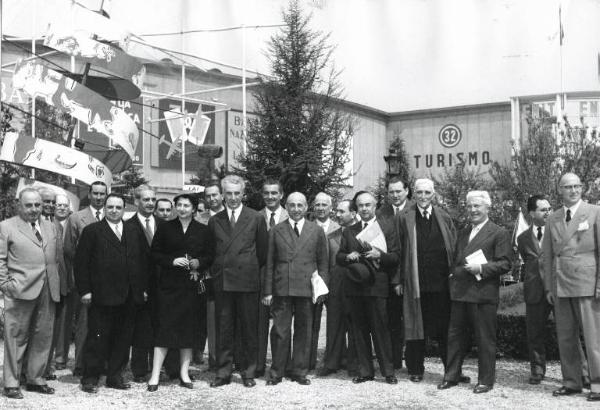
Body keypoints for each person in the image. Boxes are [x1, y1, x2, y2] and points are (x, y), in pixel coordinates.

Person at [438, 190, 511, 394]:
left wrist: (482, 269)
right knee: (454, 337)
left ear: (488, 208)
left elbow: (505, 263)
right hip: (460, 293)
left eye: (477, 206)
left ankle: (485, 380)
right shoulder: (462, 232)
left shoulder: (499, 232)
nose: (473, 210)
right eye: (469, 206)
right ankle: (451, 375)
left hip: (482, 294)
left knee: (484, 339)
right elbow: (455, 260)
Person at [75, 193, 148, 394]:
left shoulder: (134, 230)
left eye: (118, 207)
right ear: (105, 208)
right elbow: (81, 264)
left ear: (124, 209)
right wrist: (85, 290)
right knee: (98, 338)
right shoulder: (92, 231)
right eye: (110, 207)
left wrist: (142, 289)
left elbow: (143, 262)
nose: (114, 210)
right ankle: (90, 377)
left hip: (129, 296)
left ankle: (115, 376)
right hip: (102, 296)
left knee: (123, 338)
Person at [541, 173, 600, 402]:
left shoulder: (594, 211)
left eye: (576, 186)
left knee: (594, 338)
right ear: (560, 190)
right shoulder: (553, 217)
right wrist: (549, 287)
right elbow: (546, 255)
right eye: (568, 187)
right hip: (561, 283)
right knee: (566, 337)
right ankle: (572, 382)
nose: (573, 190)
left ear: (582, 188)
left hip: (587, 283)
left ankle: (597, 384)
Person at [147, 194, 214, 391]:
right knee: (164, 330)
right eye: (180, 205)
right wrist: (172, 261)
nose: (183, 208)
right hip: (168, 287)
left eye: (187, 205)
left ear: (194, 209)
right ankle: (154, 375)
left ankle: (184, 373)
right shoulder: (166, 227)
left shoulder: (203, 230)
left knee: (188, 331)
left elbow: (210, 255)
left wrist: (198, 263)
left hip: (191, 288)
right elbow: (155, 253)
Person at [0, 188, 62, 399]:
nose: (34, 209)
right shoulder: (6, 226)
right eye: (29, 205)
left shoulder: (51, 227)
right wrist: (7, 285)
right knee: (16, 337)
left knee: (42, 337)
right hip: (20, 290)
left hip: (47, 290)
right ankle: (11, 383)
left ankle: (35, 379)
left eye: (38, 205)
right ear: (20, 205)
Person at [208, 175, 268, 388]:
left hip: (247, 281)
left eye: (237, 193)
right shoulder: (215, 220)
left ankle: (248, 371)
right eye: (229, 194)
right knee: (224, 328)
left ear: (243, 194)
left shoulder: (256, 218)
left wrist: (248, 267)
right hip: (223, 282)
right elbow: (212, 251)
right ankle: (223, 372)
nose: (233, 198)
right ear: (222, 195)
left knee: (248, 328)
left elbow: (262, 252)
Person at [394, 178, 456, 382]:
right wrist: (398, 280)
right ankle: (415, 369)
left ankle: (452, 370)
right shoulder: (404, 218)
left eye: (427, 193)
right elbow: (398, 251)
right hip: (415, 283)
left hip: (441, 284)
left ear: (434, 194)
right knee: (415, 327)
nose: (423, 197)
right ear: (413, 194)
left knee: (444, 328)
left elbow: (453, 246)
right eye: (419, 192)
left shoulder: (444, 217)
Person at [263, 192, 328, 386]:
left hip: (307, 289)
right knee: (280, 331)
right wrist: (268, 290)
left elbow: (323, 263)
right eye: (292, 205)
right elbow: (269, 263)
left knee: (304, 331)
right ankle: (277, 372)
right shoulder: (276, 230)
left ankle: (299, 371)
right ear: (286, 206)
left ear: (307, 207)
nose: (296, 209)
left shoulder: (316, 231)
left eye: (300, 205)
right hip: (282, 287)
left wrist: (322, 289)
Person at [336, 191, 400, 385]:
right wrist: (348, 257)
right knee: (359, 331)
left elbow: (396, 257)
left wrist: (379, 255)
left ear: (375, 206)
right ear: (357, 208)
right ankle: (366, 371)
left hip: (377, 287)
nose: (364, 209)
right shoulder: (349, 230)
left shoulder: (387, 227)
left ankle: (388, 372)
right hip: (355, 287)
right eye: (361, 205)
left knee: (381, 330)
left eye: (368, 205)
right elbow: (338, 257)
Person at [64, 181, 108, 376]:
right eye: (95, 193)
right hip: (86, 280)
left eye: (102, 194)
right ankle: (81, 363)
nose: (99, 197)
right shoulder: (76, 218)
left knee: (106, 323)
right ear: (89, 195)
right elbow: (69, 249)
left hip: (108, 280)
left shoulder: (113, 214)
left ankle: (103, 362)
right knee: (84, 323)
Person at [319, 199, 358, 377]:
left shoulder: (363, 233)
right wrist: (325, 288)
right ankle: (332, 362)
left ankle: (354, 363)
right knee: (334, 326)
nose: (338, 215)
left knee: (356, 326)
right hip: (335, 287)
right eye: (338, 211)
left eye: (342, 211)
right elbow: (325, 264)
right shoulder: (331, 236)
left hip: (357, 287)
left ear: (353, 213)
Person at [376, 176, 412, 370]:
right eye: (391, 192)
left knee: (413, 320)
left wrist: (402, 278)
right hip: (388, 275)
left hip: (411, 275)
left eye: (398, 191)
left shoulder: (414, 210)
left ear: (406, 191)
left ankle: (414, 362)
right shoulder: (382, 212)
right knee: (392, 320)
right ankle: (395, 361)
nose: (395, 195)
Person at [125, 185, 158, 383]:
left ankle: (157, 367)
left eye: (153, 200)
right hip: (140, 288)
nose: (150, 203)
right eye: (146, 200)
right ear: (137, 201)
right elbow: (130, 262)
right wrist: (138, 288)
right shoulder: (128, 226)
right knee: (140, 329)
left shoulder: (163, 224)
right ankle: (139, 369)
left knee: (159, 328)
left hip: (161, 288)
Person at [257, 179, 288, 377]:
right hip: (259, 278)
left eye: (274, 193)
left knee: (282, 326)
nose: (270, 196)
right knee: (258, 324)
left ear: (281, 195)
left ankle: (280, 365)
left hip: (284, 279)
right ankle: (258, 365)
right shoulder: (255, 217)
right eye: (266, 193)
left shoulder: (291, 215)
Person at [195, 183, 225, 368]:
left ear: (221, 195)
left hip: (228, 275)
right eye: (208, 196)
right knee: (208, 318)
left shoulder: (230, 217)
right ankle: (212, 359)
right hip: (207, 276)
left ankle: (226, 358)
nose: (212, 199)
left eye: (215, 195)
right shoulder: (200, 219)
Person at [309, 192, 340, 370]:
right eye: (318, 204)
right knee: (312, 322)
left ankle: (333, 361)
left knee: (335, 323)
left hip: (335, 282)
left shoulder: (338, 227)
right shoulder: (308, 227)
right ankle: (309, 360)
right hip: (315, 282)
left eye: (324, 205)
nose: (321, 208)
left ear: (331, 207)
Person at [44, 193, 71, 380]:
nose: (60, 207)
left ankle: (60, 358)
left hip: (70, 279)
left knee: (64, 323)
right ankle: (46, 362)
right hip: (51, 280)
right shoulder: (47, 224)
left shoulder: (73, 223)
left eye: (63, 205)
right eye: (57, 205)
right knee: (50, 323)